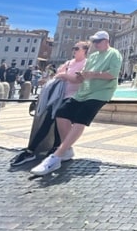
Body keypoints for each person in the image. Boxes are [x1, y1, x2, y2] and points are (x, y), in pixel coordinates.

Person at [30, 31, 122, 176]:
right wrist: (78, 76)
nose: (95, 44)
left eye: (98, 41)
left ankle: (56, 157)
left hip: (100, 93)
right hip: (83, 92)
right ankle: (67, 149)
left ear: (106, 41)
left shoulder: (114, 54)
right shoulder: (93, 57)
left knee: (80, 121)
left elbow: (113, 74)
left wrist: (92, 74)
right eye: (94, 41)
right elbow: (83, 76)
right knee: (61, 114)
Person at [10, 43, 89, 167]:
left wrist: (63, 75)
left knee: (55, 122)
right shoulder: (69, 63)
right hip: (58, 96)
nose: (74, 50)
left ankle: (36, 151)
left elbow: (78, 80)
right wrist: (54, 77)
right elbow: (57, 76)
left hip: (72, 97)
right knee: (49, 122)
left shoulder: (86, 64)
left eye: (77, 48)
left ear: (85, 51)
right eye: (73, 48)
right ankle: (43, 150)